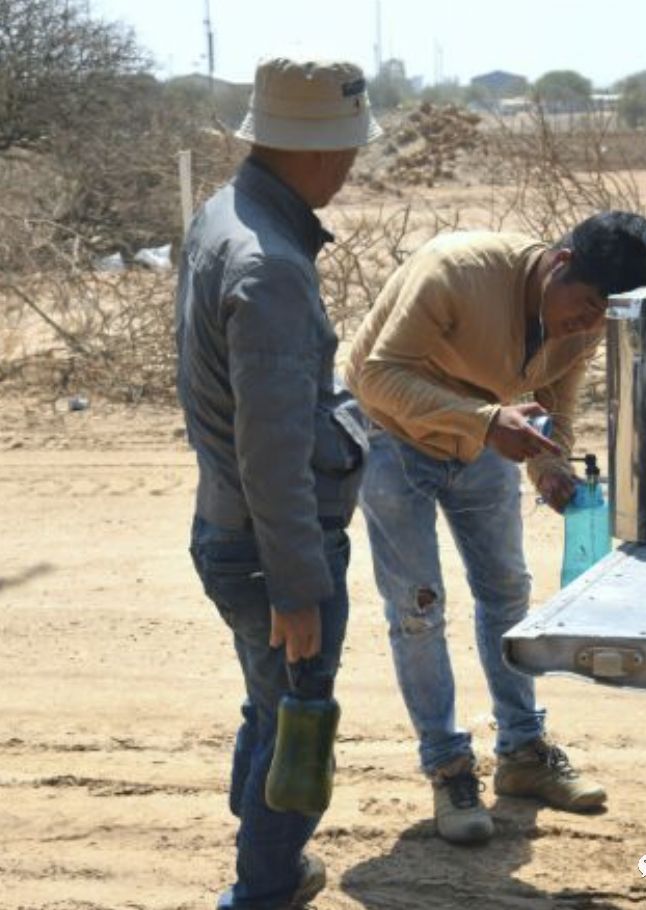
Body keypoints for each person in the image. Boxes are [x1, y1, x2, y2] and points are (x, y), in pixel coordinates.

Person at [345, 213, 646, 845]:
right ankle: (448, 765)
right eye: (587, 305)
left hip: (485, 435)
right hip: (390, 435)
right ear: (560, 261)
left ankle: (522, 754)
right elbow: (377, 376)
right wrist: (488, 420)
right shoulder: (455, 272)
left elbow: (555, 404)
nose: (588, 325)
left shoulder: (586, 321)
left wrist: (549, 466)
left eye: (606, 316)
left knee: (507, 592)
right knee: (418, 607)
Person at [176, 57, 381, 909]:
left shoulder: (229, 216)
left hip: (233, 531)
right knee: (298, 724)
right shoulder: (272, 266)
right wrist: (296, 587)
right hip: (270, 550)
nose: (352, 164)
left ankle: (260, 857)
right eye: (346, 149)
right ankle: (262, 888)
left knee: (270, 709)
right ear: (313, 151)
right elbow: (272, 450)